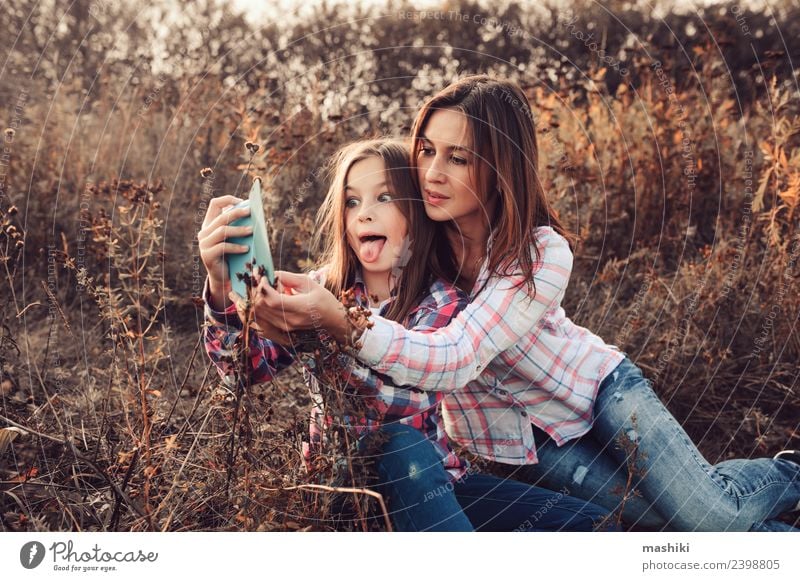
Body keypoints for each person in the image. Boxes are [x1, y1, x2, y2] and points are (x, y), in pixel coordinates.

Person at [252, 76, 800, 532]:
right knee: (652, 527)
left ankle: (788, 474)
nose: (433, 173)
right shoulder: (415, 241)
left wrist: (342, 323)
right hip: (519, 439)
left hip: (598, 393)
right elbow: (344, 272)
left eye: (459, 158)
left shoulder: (539, 253)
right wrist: (249, 291)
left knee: (709, 519)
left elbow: (457, 357)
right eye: (427, 152)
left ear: (499, 166)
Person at [197, 137, 612, 531]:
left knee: (591, 524)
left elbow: (411, 389)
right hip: (346, 484)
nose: (364, 213)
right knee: (396, 444)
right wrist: (221, 287)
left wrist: (338, 324)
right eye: (352, 201)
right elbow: (243, 373)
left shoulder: (442, 302)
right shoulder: (318, 289)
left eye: (384, 197)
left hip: (435, 479)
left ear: (416, 212)